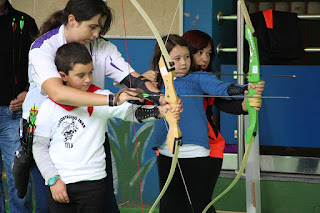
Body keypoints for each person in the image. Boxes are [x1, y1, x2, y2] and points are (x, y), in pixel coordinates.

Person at [22, 0, 182, 212]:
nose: (97, 34)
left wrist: (161, 98)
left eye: (100, 28)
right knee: (49, 204)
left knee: (106, 205)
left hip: (91, 131)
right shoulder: (43, 47)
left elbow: (133, 80)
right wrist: (111, 100)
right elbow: (58, 92)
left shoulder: (101, 47)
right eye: (93, 26)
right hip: (48, 132)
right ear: (72, 20)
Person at [148, 34, 264, 213]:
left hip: (197, 150)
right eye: (177, 59)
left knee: (199, 204)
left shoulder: (199, 79)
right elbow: (135, 91)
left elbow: (223, 90)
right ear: (163, 61)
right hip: (166, 150)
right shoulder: (155, 82)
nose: (184, 62)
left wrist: (246, 90)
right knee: (170, 204)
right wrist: (146, 79)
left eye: (186, 57)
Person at [0, 0, 38, 212]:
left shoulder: (24, 22)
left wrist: (28, 91)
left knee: (18, 177)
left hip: (13, 114)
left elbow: (39, 67)